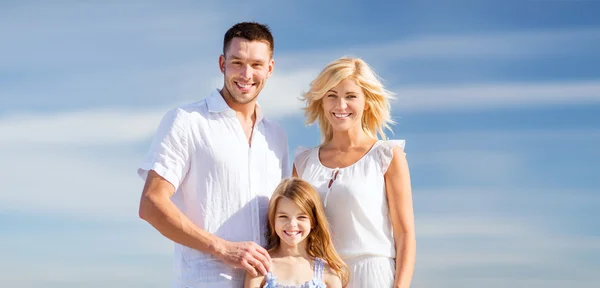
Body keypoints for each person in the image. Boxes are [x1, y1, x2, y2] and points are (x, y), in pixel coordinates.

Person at [137, 22, 290, 287]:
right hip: (205, 281)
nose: (246, 74)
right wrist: (222, 248)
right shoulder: (186, 121)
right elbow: (151, 203)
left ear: (270, 69)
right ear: (222, 64)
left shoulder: (276, 136)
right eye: (237, 62)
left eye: (256, 64)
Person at [292, 57, 416, 287]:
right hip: (318, 276)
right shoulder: (303, 162)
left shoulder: (386, 156)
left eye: (350, 96)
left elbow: (405, 234)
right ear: (321, 101)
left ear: (366, 102)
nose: (340, 105)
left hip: (372, 275)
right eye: (332, 95)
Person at [244, 178, 348, 288]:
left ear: (313, 221)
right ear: (273, 219)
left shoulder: (328, 273)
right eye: (283, 216)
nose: (292, 224)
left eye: (301, 217)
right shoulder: (260, 267)